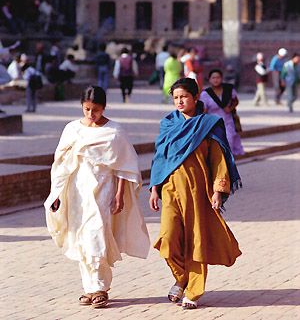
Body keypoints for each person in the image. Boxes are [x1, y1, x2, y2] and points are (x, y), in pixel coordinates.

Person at [44, 86, 150, 308]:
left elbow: (124, 166)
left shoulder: (115, 132)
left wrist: (120, 194)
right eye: (87, 109)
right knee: (81, 238)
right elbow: (61, 165)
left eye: (96, 110)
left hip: (103, 189)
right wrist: (56, 193)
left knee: (97, 234)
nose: (91, 115)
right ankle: (89, 288)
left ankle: (101, 287)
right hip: (76, 191)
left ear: (104, 108)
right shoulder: (72, 129)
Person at [149, 77, 242, 310]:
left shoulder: (209, 124)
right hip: (170, 190)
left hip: (198, 192)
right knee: (168, 239)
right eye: (176, 98)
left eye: (184, 97)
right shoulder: (168, 124)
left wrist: (218, 191)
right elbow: (160, 158)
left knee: (196, 240)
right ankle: (181, 278)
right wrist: (154, 188)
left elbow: (218, 160)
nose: (180, 101)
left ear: (195, 97)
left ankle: (194, 290)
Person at [200, 69, 244, 156]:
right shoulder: (205, 94)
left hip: (228, 121)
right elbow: (203, 110)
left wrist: (230, 108)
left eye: (218, 77)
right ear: (209, 79)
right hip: (213, 123)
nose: (216, 80)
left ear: (221, 78)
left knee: (229, 139)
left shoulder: (228, 89)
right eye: (213, 78)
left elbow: (235, 101)